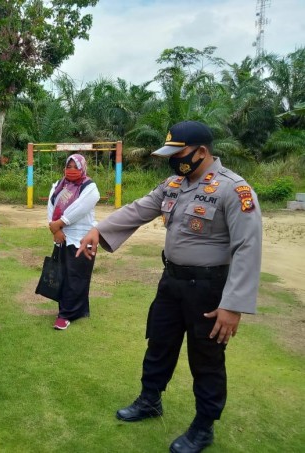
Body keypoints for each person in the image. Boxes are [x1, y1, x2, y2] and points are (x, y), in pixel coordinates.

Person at [77, 121, 262, 453]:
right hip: (172, 281)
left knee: (206, 358)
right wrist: (99, 229)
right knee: (159, 342)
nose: (173, 161)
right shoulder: (174, 183)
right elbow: (139, 209)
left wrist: (233, 305)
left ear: (201, 152)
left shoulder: (233, 190)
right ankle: (150, 400)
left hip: (209, 289)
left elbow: (248, 247)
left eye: (178, 154)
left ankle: (204, 427)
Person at [47, 154, 100, 330]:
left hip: (82, 237)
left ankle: (66, 315)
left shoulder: (89, 187)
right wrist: (55, 229)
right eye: (68, 166)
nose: (71, 170)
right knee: (64, 275)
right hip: (61, 236)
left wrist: (59, 224)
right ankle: (70, 309)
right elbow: (51, 205)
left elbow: (80, 208)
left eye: (75, 166)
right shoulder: (58, 185)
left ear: (82, 168)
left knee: (77, 275)